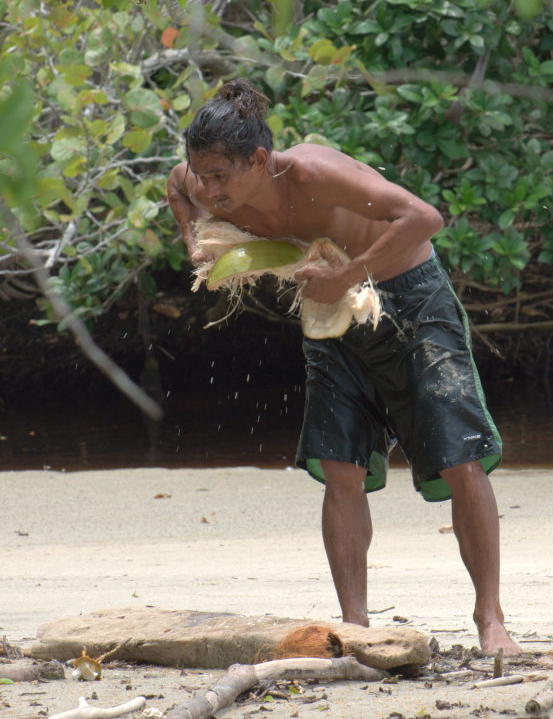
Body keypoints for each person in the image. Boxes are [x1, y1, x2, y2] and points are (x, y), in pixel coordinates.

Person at [167, 78, 521, 656]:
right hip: (331, 309)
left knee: (460, 460)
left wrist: (348, 274)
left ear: (258, 159)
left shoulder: (310, 173)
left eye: (219, 177)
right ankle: (354, 624)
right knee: (340, 467)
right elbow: (175, 188)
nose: (208, 188)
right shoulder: (202, 182)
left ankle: (490, 618)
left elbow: (424, 216)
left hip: (411, 297)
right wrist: (197, 240)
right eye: (202, 174)